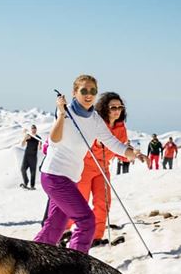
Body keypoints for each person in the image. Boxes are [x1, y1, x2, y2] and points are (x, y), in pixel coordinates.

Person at [34, 75, 145, 253]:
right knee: (86, 221)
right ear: (74, 92)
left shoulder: (94, 119)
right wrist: (61, 114)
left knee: (55, 226)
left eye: (92, 91)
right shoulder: (66, 111)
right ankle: (77, 267)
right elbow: (54, 140)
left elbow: (112, 142)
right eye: (84, 90)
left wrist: (133, 153)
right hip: (55, 176)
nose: (89, 94)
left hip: (70, 178)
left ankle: (30, 261)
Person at [68, 92, 129, 248]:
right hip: (86, 166)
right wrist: (98, 144)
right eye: (113, 107)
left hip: (103, 168)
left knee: (104, 202)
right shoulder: (97, 122)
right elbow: (87, 142)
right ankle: (64, 230)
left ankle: (95, 236)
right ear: (105, 108)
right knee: (79, 201)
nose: (117, 110)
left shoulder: (121, 128)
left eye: (119, 107)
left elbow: (119, 148)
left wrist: (127, 156)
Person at [20, 125, 41, 189]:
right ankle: (26, 182)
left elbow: (40, 148)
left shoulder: (38, 138)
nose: (33, 129)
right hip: (26, 155)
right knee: (22, 169)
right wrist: (25, 138)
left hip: (33, 156)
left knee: (33, 172)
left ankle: (32, 186)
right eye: (32, 128)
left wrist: (40, 145)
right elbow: (22, 144)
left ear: (36, 129)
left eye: (34, 128)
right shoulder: (28, 136)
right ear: (31, 129)